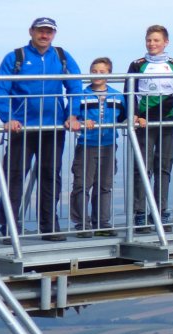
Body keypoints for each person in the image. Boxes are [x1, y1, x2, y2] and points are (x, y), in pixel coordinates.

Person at [0, 17, 83, 242]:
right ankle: (10, 228)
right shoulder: (16, 57)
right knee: (14, 177)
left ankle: (49, 227)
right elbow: (1, 88)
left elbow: (75, 85)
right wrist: (8, 118)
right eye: (41, 31)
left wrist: (72, 114)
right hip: (21, 128)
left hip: (53, 127)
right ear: (31, 31)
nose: (44, 35)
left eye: (49, 32)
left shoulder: (61, 56)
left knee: (50, 176)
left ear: (54, 34)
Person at [127, 24, 173, 231]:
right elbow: (128, 92)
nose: (152, 44)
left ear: (165, 42)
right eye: (149, 40)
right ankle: (139, 214)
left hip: (168, 122)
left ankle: (159, 213)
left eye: (156, 40)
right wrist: (133, 114)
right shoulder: (137, 64)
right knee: (142, 169)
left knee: (163, 169)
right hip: (144, 124)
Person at [70, 57, 127, 238]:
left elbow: (124, 117)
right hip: (87, 144)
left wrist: (134, 119)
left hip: (109, 144)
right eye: (94, 71)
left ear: (109, 74)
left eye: (102, 72)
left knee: (105, 185)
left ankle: (102, 223)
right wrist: (80, 121)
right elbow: (71, 118)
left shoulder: (117, 96)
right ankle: (82, 224)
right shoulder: (81, 95)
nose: (97, 75)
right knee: (82, 184)